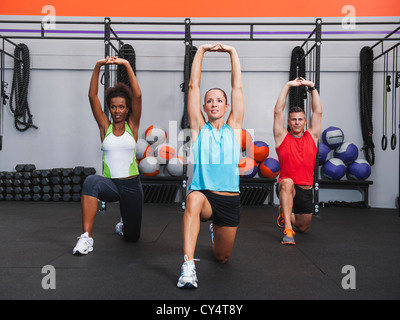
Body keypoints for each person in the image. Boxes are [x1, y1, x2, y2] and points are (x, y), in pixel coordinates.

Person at [177, 43, 245, 289]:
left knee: (222, 257)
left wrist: (232, 52)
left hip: (229, 200)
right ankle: (188, 266)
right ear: (204, 107)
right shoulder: (199, 128)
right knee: (192, 199)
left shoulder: (234, 128)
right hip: (204, 197)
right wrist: (202, 50)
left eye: (219, 101)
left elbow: (237, 87)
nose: (214, 104)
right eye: (209, 101)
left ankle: (216, 231)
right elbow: (193, 86)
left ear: (226, 107)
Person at [73, 56, 144, 255]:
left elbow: (137, 96)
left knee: (132, 238)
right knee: (90, 182)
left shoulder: (133, 126)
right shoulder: (105, 126)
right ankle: (86, 238)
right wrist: (97, 66)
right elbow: (92, 96)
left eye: (121, 106)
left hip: (131, 185)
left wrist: (127, 65)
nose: (117, 110)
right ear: (110, 109)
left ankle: (124, 224)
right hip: (111, 185)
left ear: (127, 108)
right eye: (113, 107)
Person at [273, 77, 322, 245]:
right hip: (288, 186)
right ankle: (287, 230)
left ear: (305, 122)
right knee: (286, 182)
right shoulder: (282, 137)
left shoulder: (312, 136)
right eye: (293, 119)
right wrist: (287, 86)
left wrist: (312, 87)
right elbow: (278, 112)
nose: (297, 122)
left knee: (303, 227)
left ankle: (284, 213)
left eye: (300, 119)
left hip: (306, 189)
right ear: (289, 122)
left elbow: (318, 112)